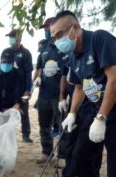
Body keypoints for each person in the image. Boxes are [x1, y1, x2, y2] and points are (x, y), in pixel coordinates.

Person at [51, 10, 116, 177]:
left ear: (75, 29)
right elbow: (79, 87)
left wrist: (102, 117)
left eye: (60, 34)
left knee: (115, 173)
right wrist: (71, 114)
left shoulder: (100, 40)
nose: (58, 40)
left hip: (111, 112)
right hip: (93, 110)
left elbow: (114, 79)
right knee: (79, 157)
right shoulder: (73, 58)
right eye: (54, 37)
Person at [34, 17, 67, 164]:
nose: (46, 31)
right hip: (44, 95)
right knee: (44, 126)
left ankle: (62, 156)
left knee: (62, 126)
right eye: (45, 29)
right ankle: (46, 153)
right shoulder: (45, 48)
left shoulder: (63, 47)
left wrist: (62, 96)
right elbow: (40, 67)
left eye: (48, 27)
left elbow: (66, 73)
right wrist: (37, 79)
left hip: (58, 95)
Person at [6, 29, 33, 143]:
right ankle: (8, 134)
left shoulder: (26, 53)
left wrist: (28, 89)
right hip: (8, 89)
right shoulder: (6, 52)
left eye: (13, 36)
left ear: (19, 38)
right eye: (10, 36)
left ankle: (26, 135)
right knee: (8, 112)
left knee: (24, 112)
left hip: (22, 88)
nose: (11, 39)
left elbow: (28, 73)